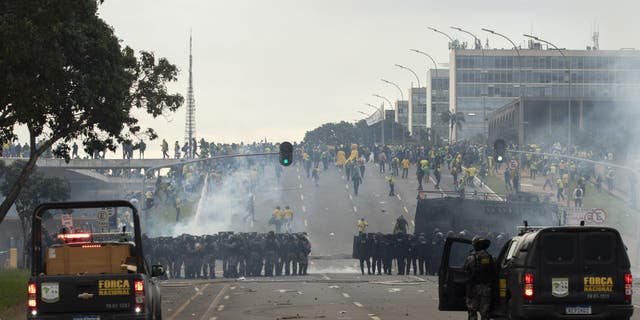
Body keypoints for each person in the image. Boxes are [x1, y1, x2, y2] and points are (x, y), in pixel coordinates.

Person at [463, 236, 496, 320]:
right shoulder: (490, 257)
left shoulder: (471, 258)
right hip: (486, 288)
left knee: (472, 312)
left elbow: (465, 270)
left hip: (473, 288)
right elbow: (494, 271)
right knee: (485, 313)